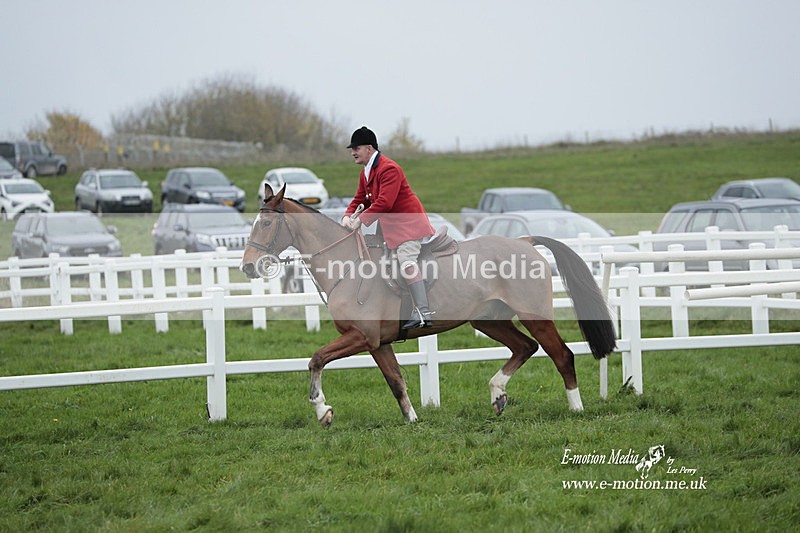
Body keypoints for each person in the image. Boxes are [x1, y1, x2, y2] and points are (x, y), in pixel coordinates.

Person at [342, 126, 435, 329]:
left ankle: (423, 312)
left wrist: (360, 220)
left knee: (405, 260)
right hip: (390, 231)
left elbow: (385, 202)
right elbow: (360, 199)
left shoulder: (389, 168)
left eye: (356, 148)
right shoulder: (366, 173)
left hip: (409, 226)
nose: (353, 152)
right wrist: (348, 216)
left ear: (369, 148)